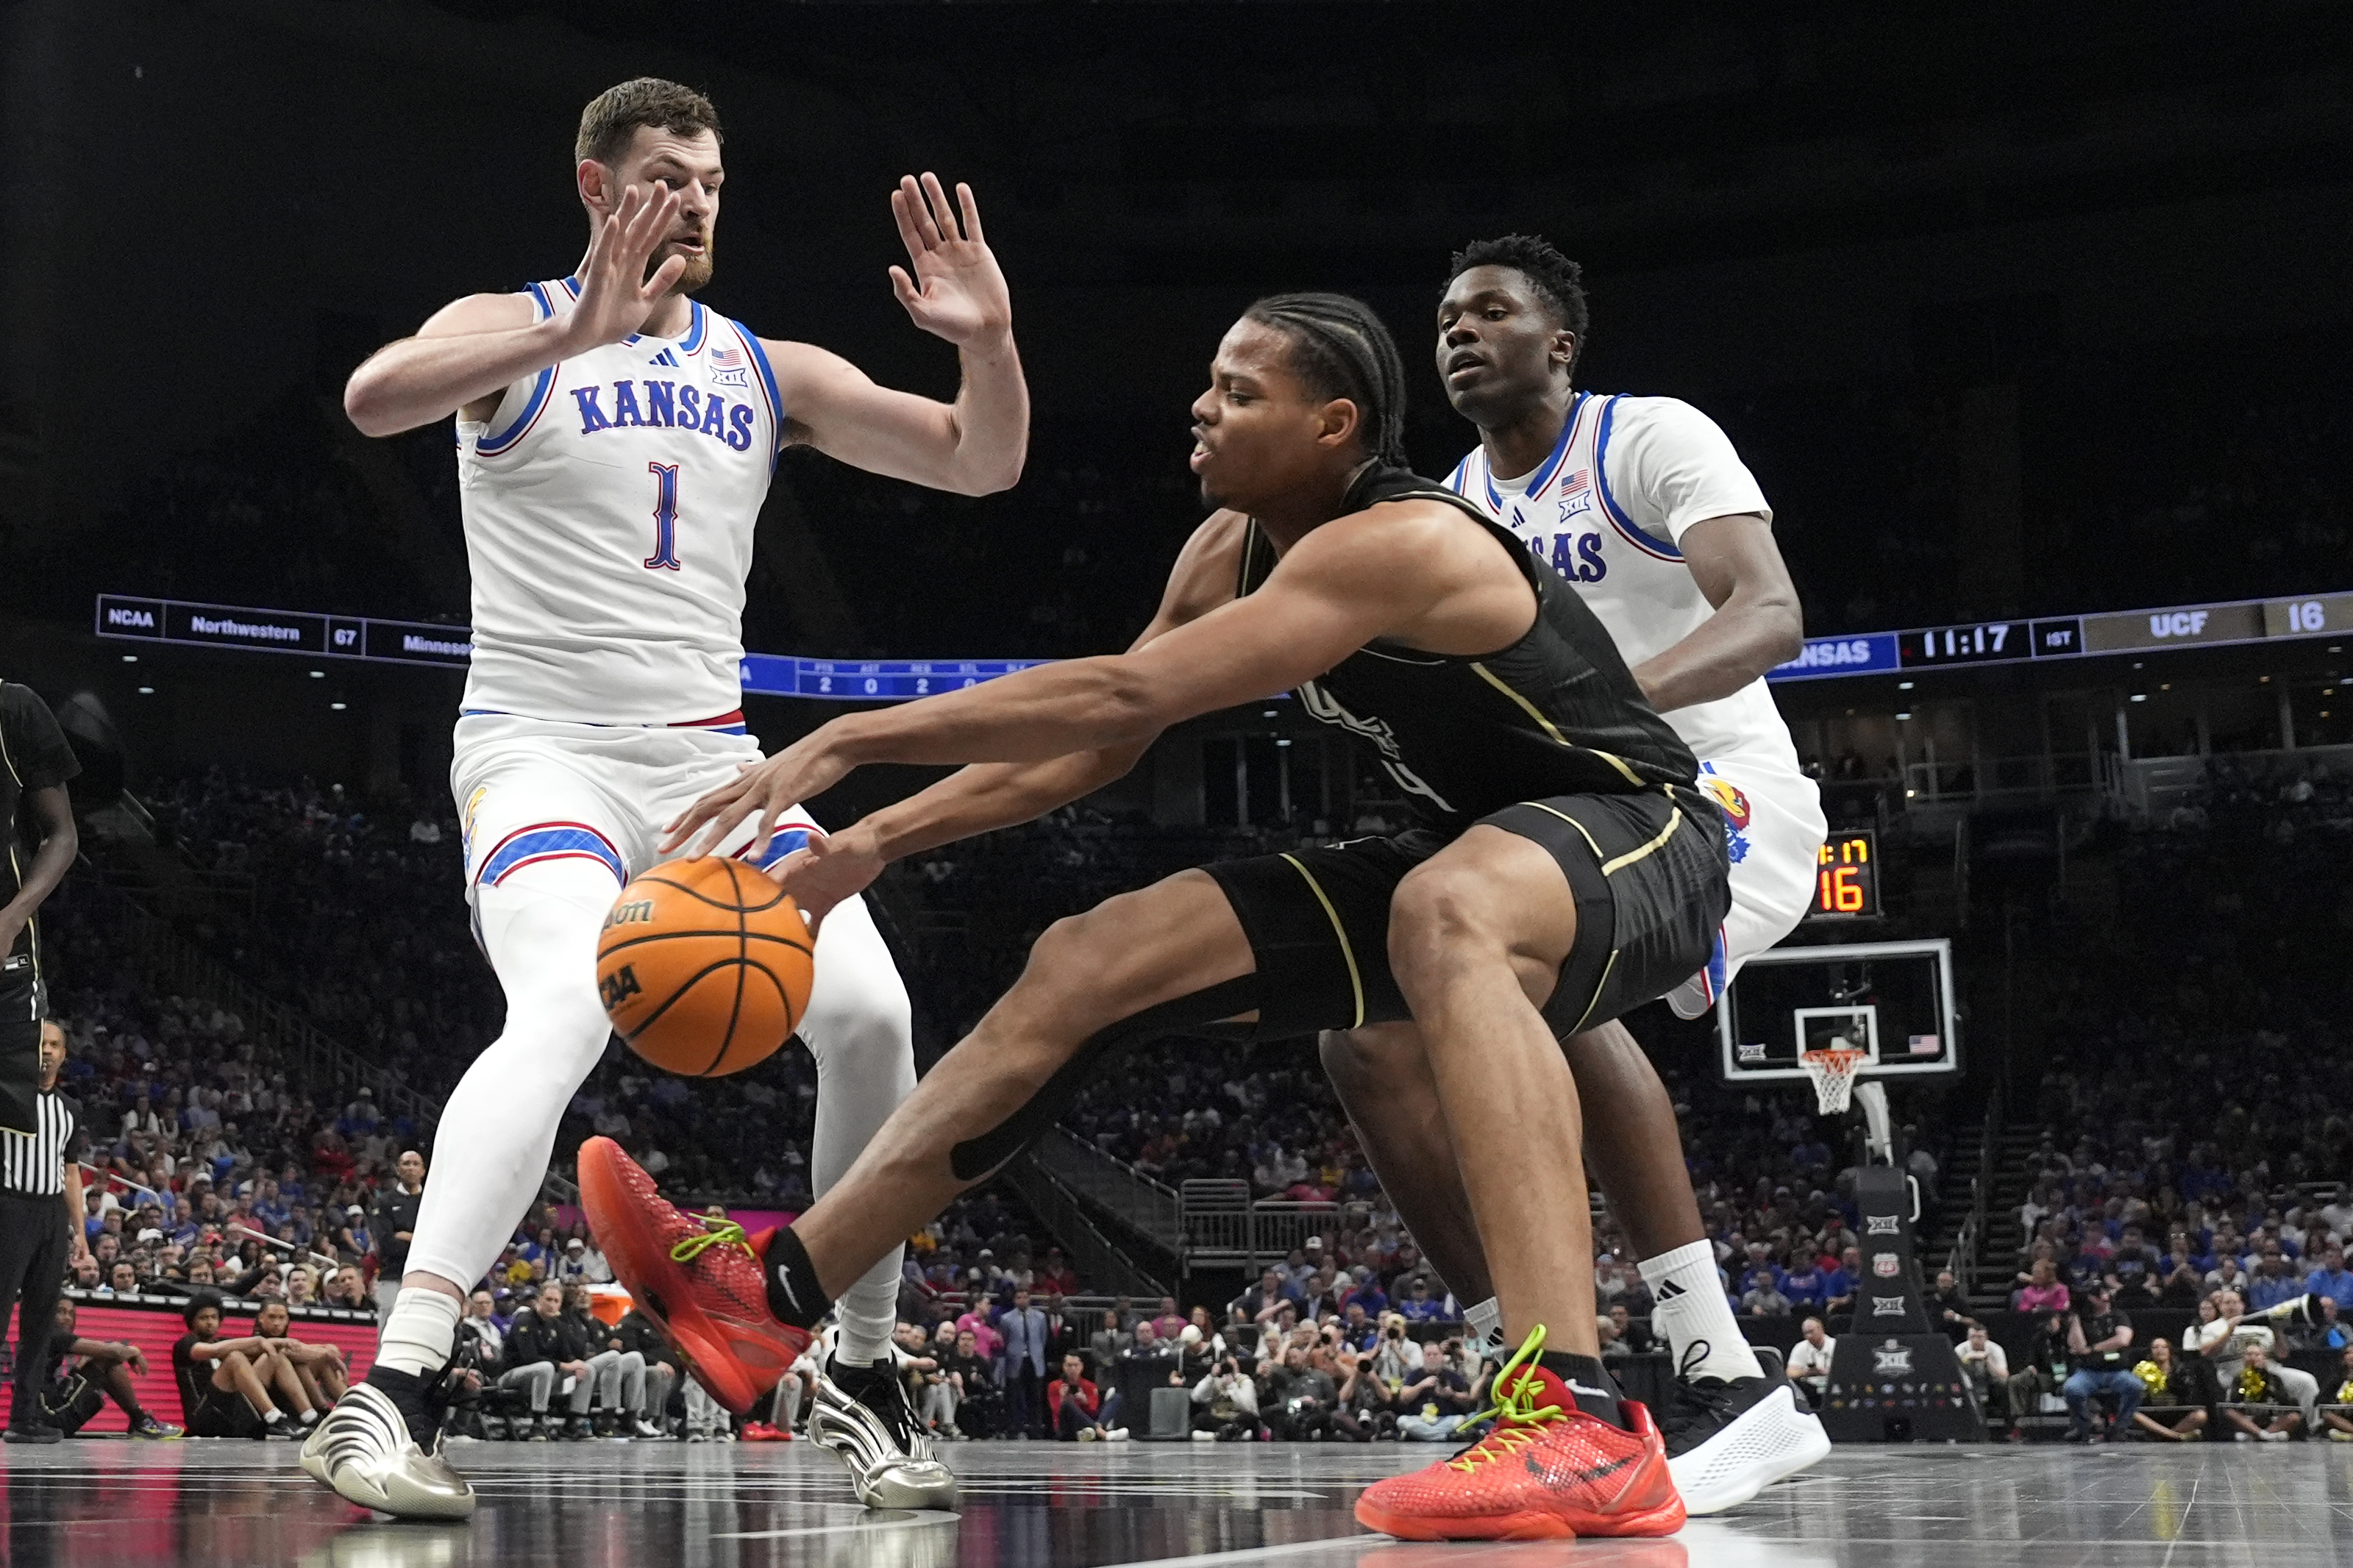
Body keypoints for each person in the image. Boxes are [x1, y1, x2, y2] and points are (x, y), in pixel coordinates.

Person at [589, 289, 1722, 1540]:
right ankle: (770, 1296)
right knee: (1089, 957)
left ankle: (1577, 1419)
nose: (1201, 404)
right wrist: (874, 840)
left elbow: (1119, 687)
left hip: (1638, 830)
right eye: (1208, 379)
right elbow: (1107, 740)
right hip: (1451, 852)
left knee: (1447, 909)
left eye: (1240, 392)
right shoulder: (1228, 548)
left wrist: (851, 741)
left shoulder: (1396, 539)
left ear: (1333, 425)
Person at [305, 75, 1025, 1519]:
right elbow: (372, 398)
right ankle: (395, 1386)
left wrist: (992, 342)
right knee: (566, 1003)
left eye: (710, 179)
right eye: (666, 176)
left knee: (879, 1018)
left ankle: (860, 1371)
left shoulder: (763, 367)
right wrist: (563, 334)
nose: (696, 199)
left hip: (716, 769)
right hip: (540, 748)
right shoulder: (504, 328)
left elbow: (982, 461)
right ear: (595, 185)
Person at [1317, 231, 1828, 1517]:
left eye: (1489, 310)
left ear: (1559, 341)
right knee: (1365, 1029)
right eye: (1441, 317)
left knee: (1513, 965)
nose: (1457, 331)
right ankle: (1528, 1369)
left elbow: (1767, 611)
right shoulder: (1444, 507)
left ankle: (1718, 1366)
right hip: (1565, 811)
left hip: (1716, 794)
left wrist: (1601, 708)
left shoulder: (1647, 438)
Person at [0, 1018, 90, 1442]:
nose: (47, 1051)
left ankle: (24, 1418)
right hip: (10, 1205)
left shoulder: (70, 1109)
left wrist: (81, 1235)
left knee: (40, 1320)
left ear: (63, 1054)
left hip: (52, 1213)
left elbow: (71, 1172)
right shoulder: (6, 1094)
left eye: (54, 1045)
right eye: (40, 1043)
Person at [0, 681, 78, 1135]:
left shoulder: (15, 709)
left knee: (9, 1139)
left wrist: (9, 919)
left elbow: (62, 835)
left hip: (6, 962)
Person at [28, 1297, 181, 1439]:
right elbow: (114, 1351)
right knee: (107, 1359)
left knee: (100, 1358)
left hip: (42, 1414)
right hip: (49, 1417)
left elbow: (96, 1353)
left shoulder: (40, 1336)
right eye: (60, 1312)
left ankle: (139, 1421)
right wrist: (135, 1351)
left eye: (71, 1313)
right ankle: (140, 1421)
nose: (68, 1318)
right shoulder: (54, 1335)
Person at [172, 1290, 304, 1439]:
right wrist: (258, 1341)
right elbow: (211, 1351)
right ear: (192, 1321)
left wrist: (282, 1342)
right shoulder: (185, 1344)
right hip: (203, 1417)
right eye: (203, 1318)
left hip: (230, 1413)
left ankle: (309, 1415)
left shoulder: (222, 1342)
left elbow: (257, 1347)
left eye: (214, 1317)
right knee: (235, 1358)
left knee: (274, 1356)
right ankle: (274, 1416)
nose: (210, 1322)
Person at [2061, 1284, 2143, 1444]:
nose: (2104, 1297)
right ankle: (2084, 1425)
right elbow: (2077, 1347)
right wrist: (2076, 1319)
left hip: (2116, 1370)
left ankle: (2120, 1427)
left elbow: (2123, 1340)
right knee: (2071, 1389)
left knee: (2135, 1387)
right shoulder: (2084, 1319)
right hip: (2089, 1371)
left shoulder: (2119, 1316)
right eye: (2099, 1294)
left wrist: (2093, 1348)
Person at [367, 1150, 426, 1322]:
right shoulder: (384, 1202)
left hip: (424, 1277)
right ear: (398, 1170)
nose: (411, 1168)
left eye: (416, 1164)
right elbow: (387, 1244)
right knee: (389, 1329)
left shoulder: (432, 1200)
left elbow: (438, 1241)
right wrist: (420, 1239)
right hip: (392, 1276)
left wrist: (405, 1236)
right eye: (406, 1164)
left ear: (423, 1171)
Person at [1392, 1338, 1475, 1442]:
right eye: (1428, 1355)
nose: (1432, 1358)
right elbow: (1403, 1397)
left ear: (1441, 1357)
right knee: (1402, 1421)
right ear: (1423, 1357)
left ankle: (1420, 1435)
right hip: (1420, 1419)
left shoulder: (1452, 1375)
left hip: (1445, 1419)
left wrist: (1452, 1394)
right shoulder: (1415, 1375)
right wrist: (1421, 1385)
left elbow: (1467, 1400)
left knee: (1461, 1419)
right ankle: (1444, 1437)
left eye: (1435, 1355)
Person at [2127, 1338, 2208, 1442]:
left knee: (2201, 1416)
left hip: (2177, 1414)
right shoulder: (2141, 1370)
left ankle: (2162, 1437)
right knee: (2131, 1413)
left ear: (2170, 1351)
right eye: (2155, 1347)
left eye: (2164, 1347)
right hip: (2153, 1415)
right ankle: (2175, 1436)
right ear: (2150, 1352)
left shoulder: (2182, 1370)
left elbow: (2189, 1396)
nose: (2160, 1350)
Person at [997, 1287, 1050, 1439]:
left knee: (1036, 1396)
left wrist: (1037, 1353)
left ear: (1030, 1298)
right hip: (1015, 1360)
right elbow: (1005, 1339)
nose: (1023, 1300)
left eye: (1025, 1297)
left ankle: (1036, 1429)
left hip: (1034, 1360)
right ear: (1015, 1300)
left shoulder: (1040, 1317)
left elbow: (1043, 1338)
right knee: (1013, 1396)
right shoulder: (1006, 1319)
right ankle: (1014, 1427)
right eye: (1019, 1297)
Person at [2221, 1344, 2301, 1442]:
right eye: (2249, 1355)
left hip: (2271, 1418)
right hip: (2248, 1419)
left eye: (2257, 1355)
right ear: (2244, 1359)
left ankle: (2259, 1435)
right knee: (2230, 1413)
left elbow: (2285, 1402)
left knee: (2294, 1417)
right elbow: (2233, 1402)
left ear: (2264, 1359)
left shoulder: (2274, 1379)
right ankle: (2264, 1435)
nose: (2253, 1358)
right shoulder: (2238, 1378)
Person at [1047, 1351, 1127, 1442]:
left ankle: (1096, 1431)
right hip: (1067, 1428)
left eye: (1076, 1365)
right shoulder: (1054, 1386)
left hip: (1088, 1424)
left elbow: (1094, 1410)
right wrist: (1063, 1399)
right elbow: (1056, 1412)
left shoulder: (1090, 1385)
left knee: (1117, 1398)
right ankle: (1101, 1433)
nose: (1073, 1369)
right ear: (1064, 1367)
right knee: (1067, 1405)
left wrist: (1085, 1401)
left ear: (1081, 1367)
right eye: (1069, 1365)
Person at [1189, 1354, 1263, 1442]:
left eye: (1232, 1366)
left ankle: (1217, 1435)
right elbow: (1196, 1397)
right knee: (1200, 1418)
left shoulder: (1245, 1381)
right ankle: (1229, 1434)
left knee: (1249, 1418)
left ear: (1237, 1367)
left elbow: (1249, 1407)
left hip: (1237, 1419)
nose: (1228, 1370)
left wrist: (1232, 1386)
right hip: (1219, 1419)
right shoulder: (1214, 1380)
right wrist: (1211, 1377)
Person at [1954, 1323, 2009, 1426]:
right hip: (1968, 1383)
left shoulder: (1996, 1349)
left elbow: (2004, 1376)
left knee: (2005, 1388)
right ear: (1968, 1338)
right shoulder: (1960, 1350)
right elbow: (1954, 1374)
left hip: (1992, 1383)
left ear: (1986, 1338)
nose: (1976, 1341)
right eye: (1973, 1337)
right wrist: (1966, 1359)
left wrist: (1988, 1361)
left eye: (1980, 1337)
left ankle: (2010, 1428)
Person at [1784, 1318, 1834, 1411]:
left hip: (1832, 1386)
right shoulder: (1800, 1347)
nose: (1809, 1336)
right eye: (1806, 1333)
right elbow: (1790, 1373)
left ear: (1821, 1329)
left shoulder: (1835, 1345)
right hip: (1810, 1389)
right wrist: (1808, 1373)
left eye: (1811, 1332)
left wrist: (1827, 1372)